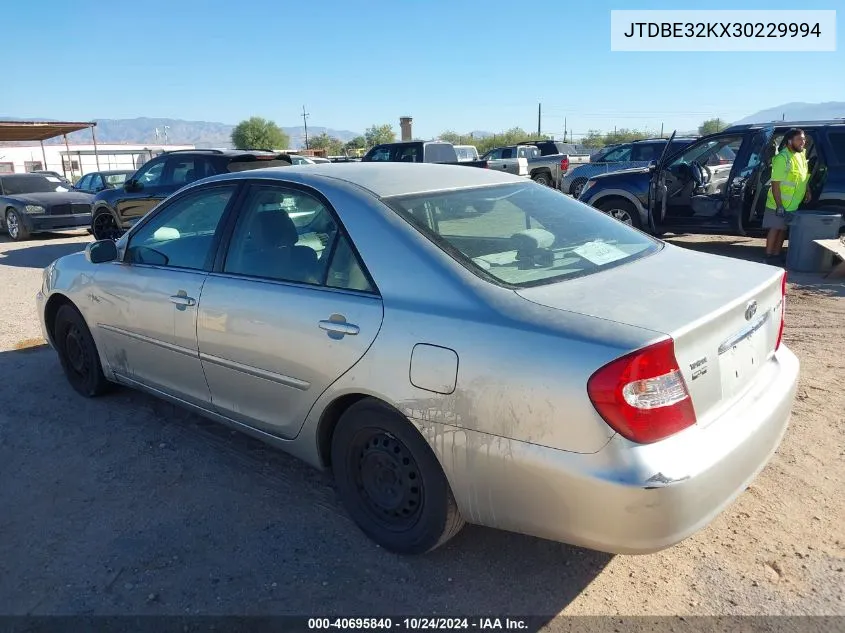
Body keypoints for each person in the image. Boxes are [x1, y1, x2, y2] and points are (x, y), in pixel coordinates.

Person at [762, 128, 811, 265]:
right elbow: (775, 184)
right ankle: (768, 256)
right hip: (778, 202)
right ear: (790, 141)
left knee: (782, 229)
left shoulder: (800, 155)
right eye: (799, 139)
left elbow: (803, 176)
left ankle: (776, 254)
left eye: (803, 139)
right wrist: (779, 205)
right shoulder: (782, 158)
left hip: (793, 203)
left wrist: (807, 190)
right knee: (775, 228)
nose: (803, 142)